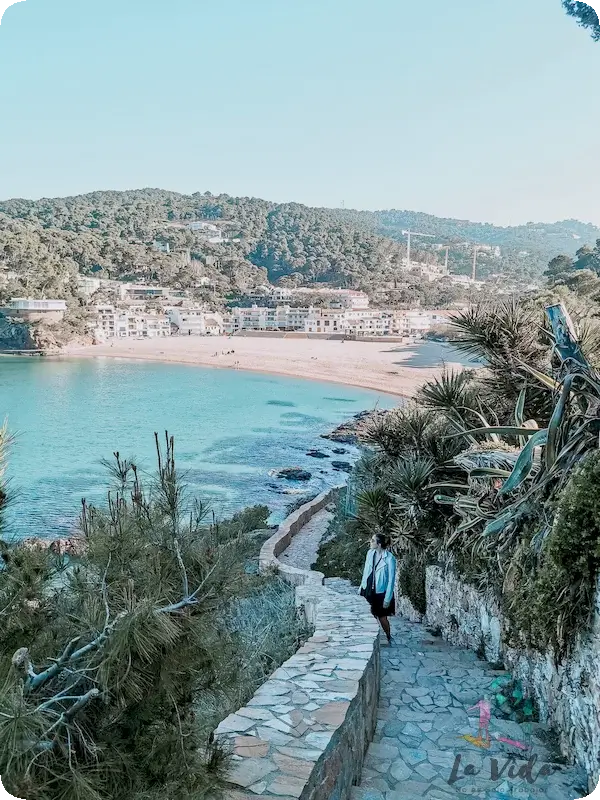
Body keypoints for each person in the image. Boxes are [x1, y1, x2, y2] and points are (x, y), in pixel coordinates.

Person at [359, 533, 396, 643]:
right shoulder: (370, 553)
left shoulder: (390, 559)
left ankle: (388, 635)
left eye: (373, 540)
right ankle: (372, 639)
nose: (370, 542)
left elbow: (391, 580)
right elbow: (366, 572)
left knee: (382, 617)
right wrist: (361, 587)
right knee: (369, 616)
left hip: (381, 592)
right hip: (369, 589)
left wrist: (387, 598)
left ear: (379, 544)